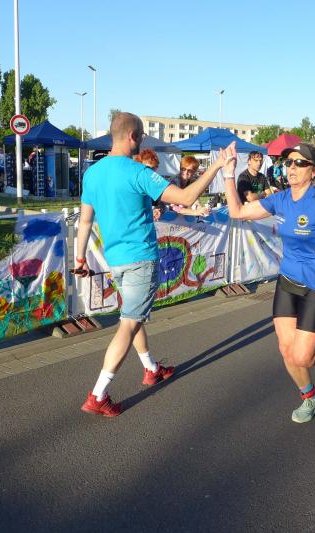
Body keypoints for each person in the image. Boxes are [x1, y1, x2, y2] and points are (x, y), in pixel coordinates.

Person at [75, 112, 229, 417]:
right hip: (140, 258)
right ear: (133, 136)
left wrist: (80, 258)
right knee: (129, 323)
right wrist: (217, 166)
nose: (143, 140)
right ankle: (98, 394)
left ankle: (151, 369)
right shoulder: (138, 172)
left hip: (116, 260)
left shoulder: (92, 173)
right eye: (142, 135)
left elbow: (85, 220)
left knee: (134, 317)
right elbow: (186, 196)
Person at [222, 141, 315, 423]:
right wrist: (229, 173)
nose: (292, 168)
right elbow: (237, 212)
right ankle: (311, 397)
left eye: (300, 163)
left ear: (314, 170)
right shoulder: (281, 198)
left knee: (303, 357)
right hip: (287, 282)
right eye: (288, 163)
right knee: (286, 350)